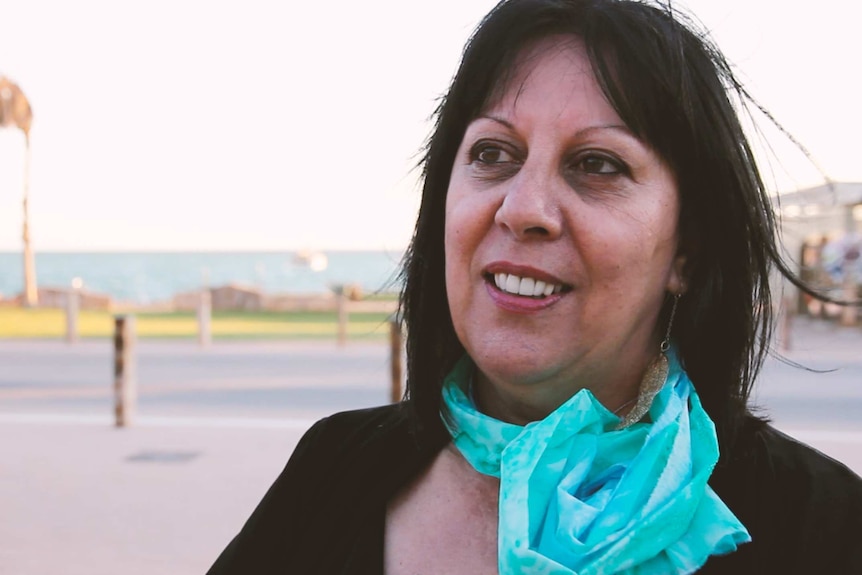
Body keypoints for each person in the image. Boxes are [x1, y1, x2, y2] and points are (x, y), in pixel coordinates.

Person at [208, 1, 862, 573]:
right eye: (493, 154)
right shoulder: (333, 471)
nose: (522, 208)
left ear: (684, 253)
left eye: (597, 164)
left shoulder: (823, 525)